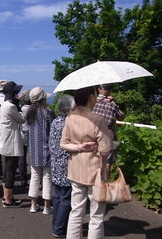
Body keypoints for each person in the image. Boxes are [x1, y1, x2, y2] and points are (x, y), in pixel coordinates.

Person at [60, 86, 112, 239]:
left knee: (76, 211)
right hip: (96, 171)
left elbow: (63, 144)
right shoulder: (98, 120)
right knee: (96, 215)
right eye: (95, 95)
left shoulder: (70, 117)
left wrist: (79, 147)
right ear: (90, 98)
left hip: (76, 169)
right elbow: (105, 150)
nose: (96, 98)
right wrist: (108, 135)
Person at [49, 95, 75, 238]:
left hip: (55, 163)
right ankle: (59, 229)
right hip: (65, 164)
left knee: (58, 196)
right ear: (67, 110)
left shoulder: (55, 122)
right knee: (65, 198)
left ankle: (56, 227)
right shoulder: (68, 124)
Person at [26, 87, 56, 214]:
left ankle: (33, 205)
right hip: (47, 149)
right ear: (43, 99)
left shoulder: (29, 112)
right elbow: (54, 131)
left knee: (35, 177)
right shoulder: (48, 112)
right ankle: (46, 206)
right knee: (47, 177)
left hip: (33, 149)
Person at [0, 81, 26, 208]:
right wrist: (19, 106)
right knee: (10, 171)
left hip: (5, 141)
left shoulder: (5, 105)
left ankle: (6, 196)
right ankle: (8, 200)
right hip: (11, 143)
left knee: (6, 171)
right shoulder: (11, 106)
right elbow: (22, 119)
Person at [92, 84, 125, 171]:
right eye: (108, 88)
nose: (109, 90)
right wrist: (115, 103)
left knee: (95, 157)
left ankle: (95, 180)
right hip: (108, 135)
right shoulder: (111, 103)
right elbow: (121, 116)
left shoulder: (92, 101)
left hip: (93, 134)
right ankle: (104, 181)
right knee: (107, 160)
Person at [19, 90, 31, 187]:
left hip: (22, 133)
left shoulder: (21, 109)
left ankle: (23, 179)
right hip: (32, 134)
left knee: (22, 158)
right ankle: (36, 179)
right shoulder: (34, 109)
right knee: (33, 157)